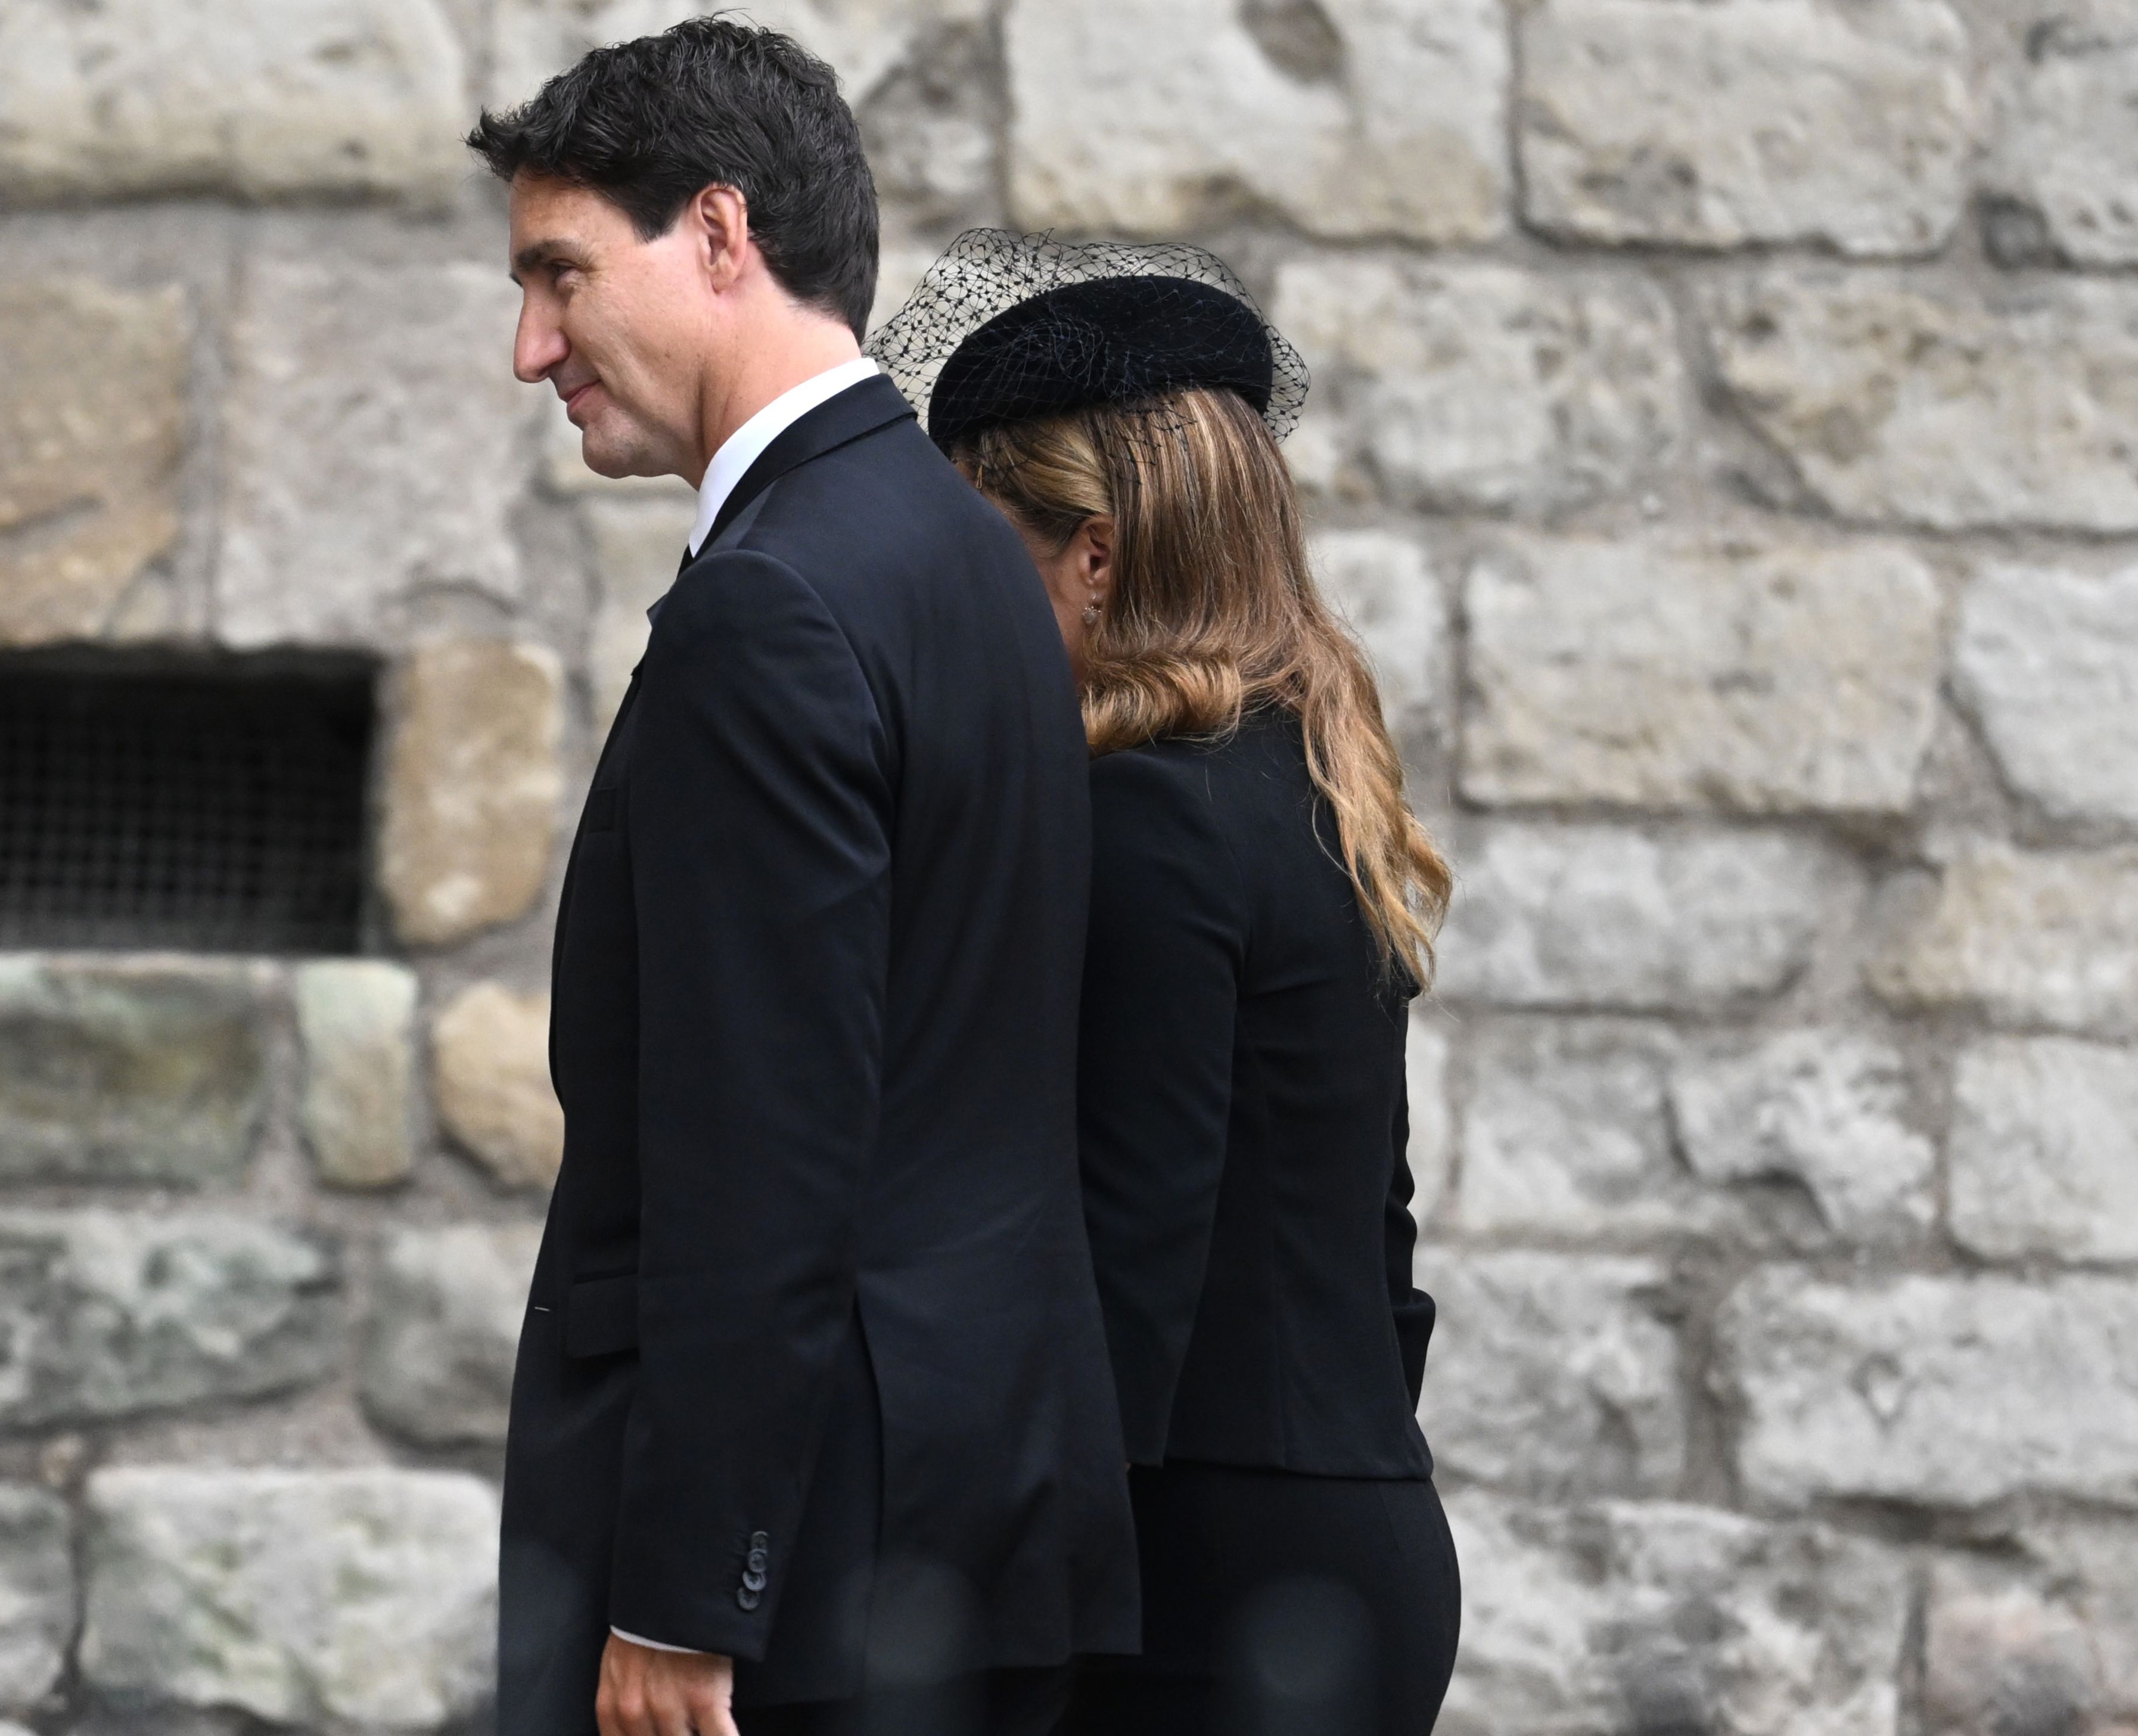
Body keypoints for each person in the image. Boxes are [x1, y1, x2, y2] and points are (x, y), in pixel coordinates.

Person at [470, 29, 1139, 1736]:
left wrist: (687, 1592)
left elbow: (758, 1143)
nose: (530, 345)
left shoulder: (773, 603)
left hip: (798, 1591)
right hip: (975, 1526)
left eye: (560, 273)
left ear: (717, 233)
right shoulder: (967, 560)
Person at [868, 232, 1462, 1736]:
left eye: (983, 558)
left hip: (1205, 1582)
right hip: (1347, 1532)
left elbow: (1128, 1260)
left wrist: (997, 1602)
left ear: (1094, 555)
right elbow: (1379, 1239)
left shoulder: (1142, 813)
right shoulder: (1307, 790)